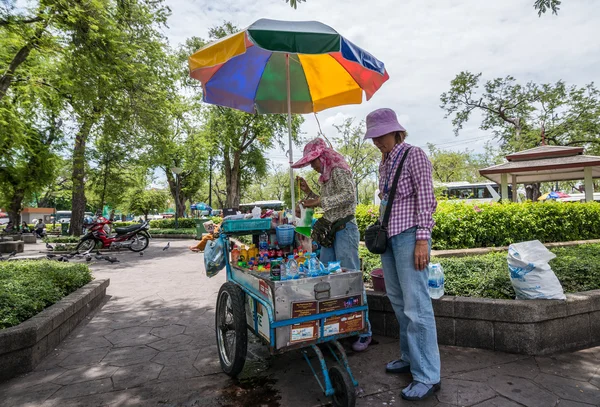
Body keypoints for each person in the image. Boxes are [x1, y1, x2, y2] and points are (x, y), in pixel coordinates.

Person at [364, 108, 440, 401]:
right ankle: (410, 359)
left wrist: (423, 240)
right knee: (398, 303)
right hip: (391, 239)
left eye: (380, 135)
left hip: (410, 237)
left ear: (396, 131)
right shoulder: (384, 163)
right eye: (373, 136)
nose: (377, 141)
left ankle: (428, 375)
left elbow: (426, 199)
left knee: (417, 306)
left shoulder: (414, 155)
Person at [292, 138, 372, 352]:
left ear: (323, 157)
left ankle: (365, 331)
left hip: (345, 230)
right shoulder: (326, 176)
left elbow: (348, 196)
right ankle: (337, 327)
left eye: (314, 161)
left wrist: (317, 201)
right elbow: (328, 201)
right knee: (326, 276)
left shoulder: (338, 169)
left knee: (351, 277)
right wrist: (309, 192)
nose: (313, 166)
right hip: (330, 232)